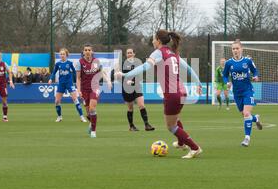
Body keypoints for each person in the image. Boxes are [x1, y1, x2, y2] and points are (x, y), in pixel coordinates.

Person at [118, 30, 203, 159]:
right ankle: (181, 143)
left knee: (171, 126)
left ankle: (195, 148)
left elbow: (145, 67)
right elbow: (189, 69)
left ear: (158, 40)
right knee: (176, 118)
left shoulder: (158, 53)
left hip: (172, 94)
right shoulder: (173, 53)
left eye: (153, 39)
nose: (152, 41)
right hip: (182, 91)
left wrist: (125, 74)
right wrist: (198, 84)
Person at [222, 39, 263, 147]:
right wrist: (227, 83)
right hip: (237, 93)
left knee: (246, 114)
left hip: (248, 91)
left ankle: (247, 138)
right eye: (233, 49)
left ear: (241, 49)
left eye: (237, 48)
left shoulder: (247, 61)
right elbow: (225, 75)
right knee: (245, 115)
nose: (235, 50)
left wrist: (255, 76)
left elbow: (255, 70)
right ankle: (256, 118)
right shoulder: (229, 63)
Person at [76, 44, 112, 138]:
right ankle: (92, 122)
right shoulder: (80, 62)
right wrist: (78, 90)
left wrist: (108, 81)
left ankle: (93, 131)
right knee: (88, 112)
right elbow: (78, 78)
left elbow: (102, 72)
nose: (87, 51)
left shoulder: (96, 61)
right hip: (84, 89)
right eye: (86, 50)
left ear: (92, 51)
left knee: (92, 108)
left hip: (95, 87)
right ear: (83, 52)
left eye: (89, 50)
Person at [117, 48, 154, 131]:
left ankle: (147, 125)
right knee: (130, 108)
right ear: (126, 55)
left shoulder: (138, 63)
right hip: (126, 89)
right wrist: (125, 80)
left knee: (141, 105)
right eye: (128, 53)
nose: (129, 54)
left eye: (131, 53)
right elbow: (117, 76)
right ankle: (131, 126)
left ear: (134, 54)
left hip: (137, 87)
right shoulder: (122, 64)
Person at [48, 48, 87, 123]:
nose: (62, 55)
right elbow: (54, 72)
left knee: (75, 99)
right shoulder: (58, 64)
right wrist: (50, 79)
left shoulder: (69, 63)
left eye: (63, 54)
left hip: (69, 83)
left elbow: (75, 73)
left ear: (66, 55)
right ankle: (59, 117)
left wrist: (78, 80)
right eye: (61, 54)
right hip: (61, 84)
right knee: (56, 101)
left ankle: (82, 117)